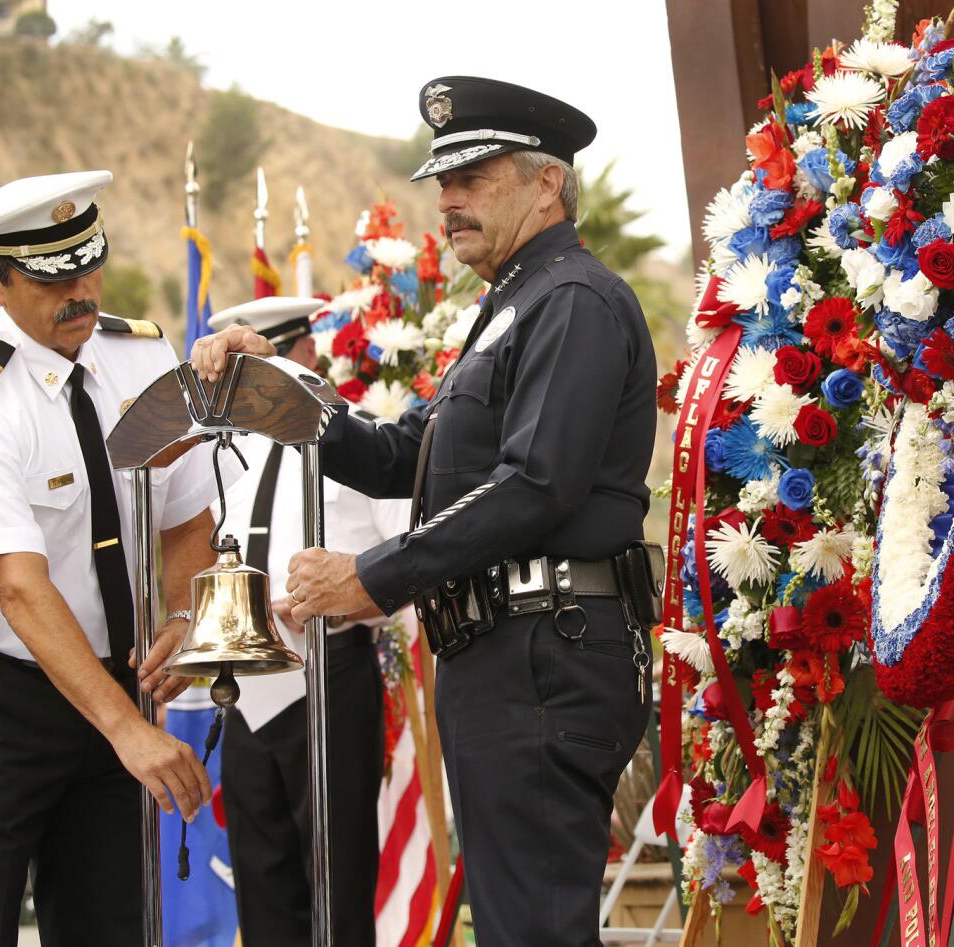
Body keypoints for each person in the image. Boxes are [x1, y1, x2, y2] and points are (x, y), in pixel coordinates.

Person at [193, 76, 661, 947]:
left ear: (547, 181)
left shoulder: (573, 300)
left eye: (472, 177)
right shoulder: (511, 306)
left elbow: (536, 484)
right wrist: (270, 386)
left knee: (535, 930)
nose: (446, 201)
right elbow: (401, 454)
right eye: (442, 182)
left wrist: (371, 577)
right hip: (506, 652)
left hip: (545, 652)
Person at [0, 171, 224, 946]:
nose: (80, 292)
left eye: (88, 266)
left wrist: (184, 612)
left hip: (113, 685)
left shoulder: (141, 357)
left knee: (111, 924)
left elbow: (186, 515)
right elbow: (18, 587)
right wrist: (129, 730)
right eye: (52, 281)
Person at [207, 296, 406, 946]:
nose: (253, 383)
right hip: (245, 686)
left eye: (265, 362)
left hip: (328, 674)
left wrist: (348, 592)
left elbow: (410, 567)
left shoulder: (364, 440)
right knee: (262, 889)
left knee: (336, 890)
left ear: (307, 354)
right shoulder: (231, 456)